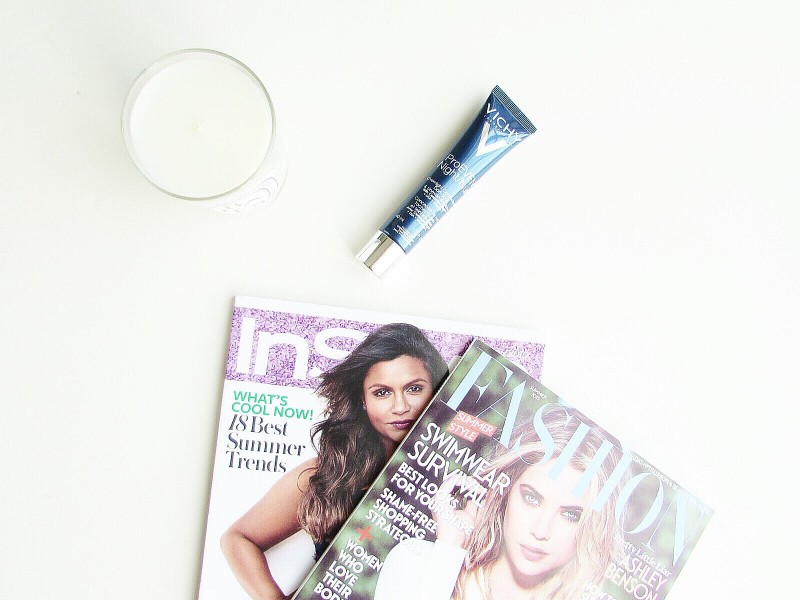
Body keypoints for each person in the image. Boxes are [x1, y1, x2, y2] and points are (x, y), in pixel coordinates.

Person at [220, 323, 449, 600]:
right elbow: (238, 539)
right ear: (363, 400)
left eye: (414, 388)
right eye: (382, 392)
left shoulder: (455, 478)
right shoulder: (330, 472)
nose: (400, 406)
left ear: (437, 389)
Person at [374, 407, 627, 600]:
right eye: (531, 499)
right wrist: (449, 551)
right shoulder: (415, 562)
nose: (541, 531)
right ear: (505, 490)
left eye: (571, 515)